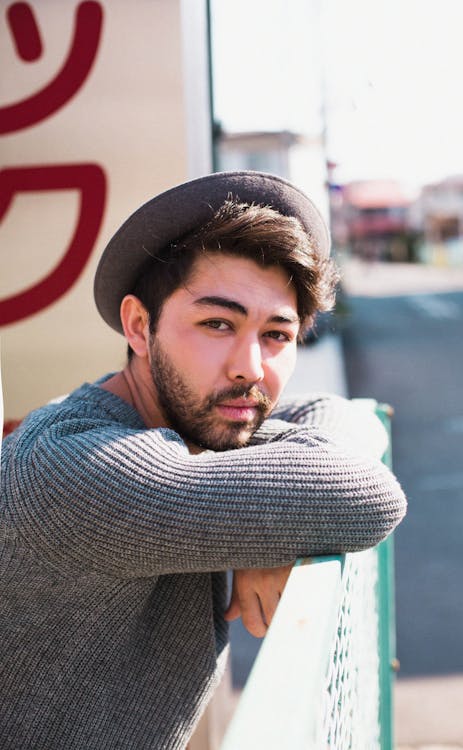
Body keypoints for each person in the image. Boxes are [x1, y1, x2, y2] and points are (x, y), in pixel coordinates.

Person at [0, 171, 406, 749]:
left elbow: (341, 414)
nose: (250, 367)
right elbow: (367, 497)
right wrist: (284, 515)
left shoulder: (200, 437)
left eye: (276, 335)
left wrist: (269, 528)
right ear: (140, 327)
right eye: (217, 324)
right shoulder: (75, 470)